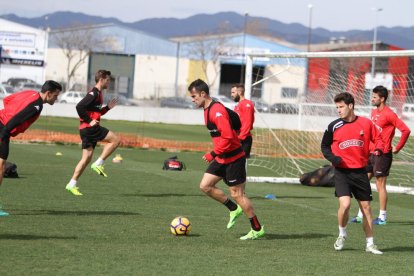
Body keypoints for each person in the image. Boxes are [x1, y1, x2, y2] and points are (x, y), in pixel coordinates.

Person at [188, 79, 264, 240]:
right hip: (223, 156)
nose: (192, 99)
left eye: (194, 96)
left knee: (238, 194)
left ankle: (256, 228)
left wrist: (213, 153)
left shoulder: (217, 111)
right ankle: (233, 208)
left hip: (233, 158)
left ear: (203, 94)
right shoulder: (207, 109)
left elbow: (229, 136)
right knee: (205, 186)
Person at [321, 92, 384, 254]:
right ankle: (342, 234)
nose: (338, 110)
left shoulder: (366, 123)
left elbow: (378, 138)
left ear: (350, 106)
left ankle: (370, 244)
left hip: (360, 172)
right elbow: (324, 147)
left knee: (367, 208)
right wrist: (333, 158)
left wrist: (377, 148)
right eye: (337, 107)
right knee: (346, 204)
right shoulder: (333, 126)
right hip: (342, 172)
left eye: (341, 107)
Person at [350, 85, 411, 225]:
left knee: (380, 184)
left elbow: (405, 130)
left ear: (382, 99)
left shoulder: (390, 114)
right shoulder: (373, 112)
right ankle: (361, 214)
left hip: (383, 154)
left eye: (375, 97)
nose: (372, 99)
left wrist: (398, 147)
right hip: (371, 153)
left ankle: (382, 217)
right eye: (372, 96)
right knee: (362, 182)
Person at [0, 80, 62, 216]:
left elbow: (7, 100)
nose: (56, 99)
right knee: (1, 165)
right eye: (55, 96)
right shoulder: (37, 105)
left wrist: (8, 114)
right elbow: (17, 119)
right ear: (48, 93)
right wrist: (5, 132)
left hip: (2, 122)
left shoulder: (30, 93)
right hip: (4, 129)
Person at [65, 70, 120, 196]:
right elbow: (79, 107)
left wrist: (107, 108)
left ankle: (71, 184)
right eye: (108, 80)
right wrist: (89, 121)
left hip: (86, 130)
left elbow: (95, 112)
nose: (109, 82)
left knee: (85, 159)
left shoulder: (98, 93)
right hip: (89, 128)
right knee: (116, 140)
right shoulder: (93, 93)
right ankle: (99, 163)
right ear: (101, 79)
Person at [230, 84, 255, 158]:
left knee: (239, 164)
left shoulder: (247, 104)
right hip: (237, 137)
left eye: (233, 92)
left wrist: (240, 139)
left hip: (243, 139)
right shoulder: (238, 105)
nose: (231, 95)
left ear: (240, 92)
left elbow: (247, 123)